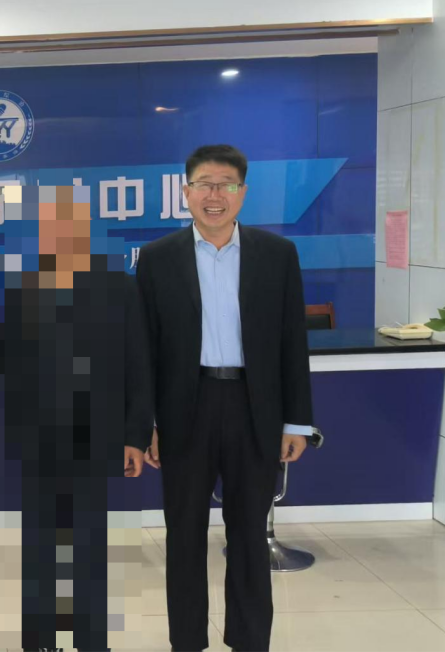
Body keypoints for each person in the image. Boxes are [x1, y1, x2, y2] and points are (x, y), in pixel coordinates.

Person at [136, 145, 314, 652]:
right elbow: (143, 348)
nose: (214, 195)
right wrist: (145, 423)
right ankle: (188, 642)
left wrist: (296, 422)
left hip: (253, 410)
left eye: (226, 185)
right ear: (186, 191)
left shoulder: (277, 255)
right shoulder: (157, 258)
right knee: (184, 537)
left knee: (249, 536)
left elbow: (291, 342)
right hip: (183, 413)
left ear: (243, 193)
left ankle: (250, 641)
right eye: (204, 184)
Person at [0, 183, 153, 651]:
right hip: (38, 435)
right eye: (50, 224)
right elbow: (6, 355)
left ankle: (91, 640)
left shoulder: (118, 287)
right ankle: (40, 640)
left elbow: (138, 363)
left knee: (88, 543)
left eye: (69, 222)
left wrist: (136, 434)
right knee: (39, 545)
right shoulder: (25, 286)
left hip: (96, 434)